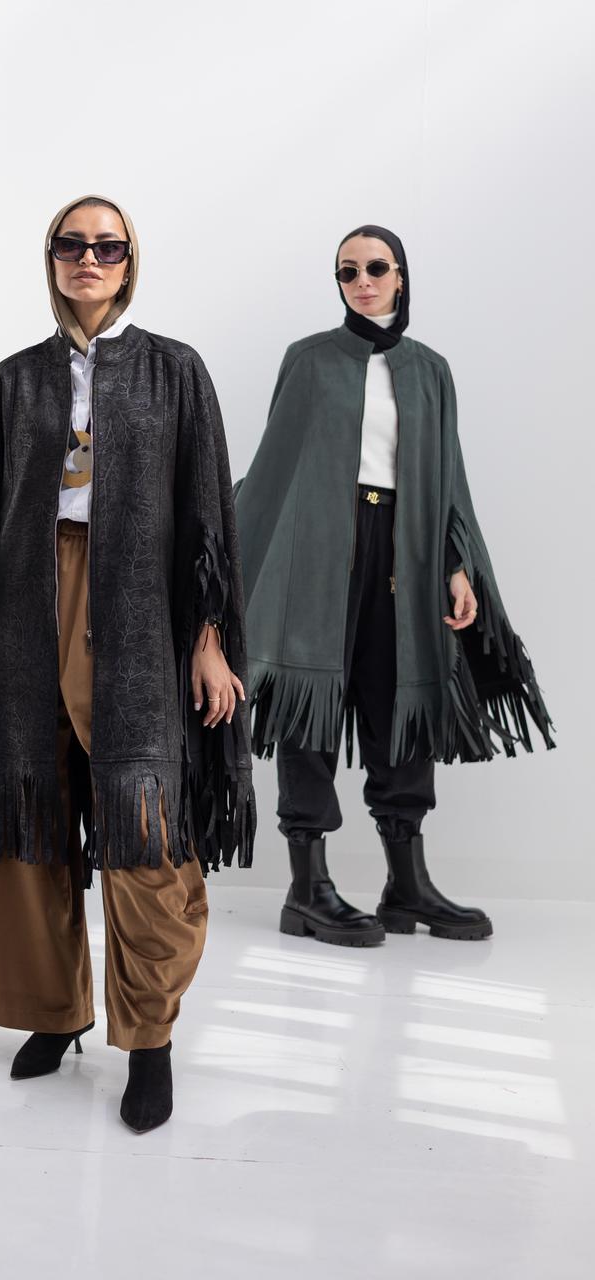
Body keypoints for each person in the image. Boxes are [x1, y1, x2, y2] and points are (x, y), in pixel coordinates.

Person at [0, 195, 255, 1133]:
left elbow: (206, 519)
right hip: (20, 613)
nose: (89, 258)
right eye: (72, 245)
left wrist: (208, 640)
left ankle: (148, 1040)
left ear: (129, 261)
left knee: (145, 826)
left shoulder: (173, 370)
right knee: (24, 810)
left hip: (140, 610)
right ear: (52, 259)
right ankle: (54, 1011)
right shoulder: (15, 380)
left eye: (107, 246)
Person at [235, 224, 553, 946]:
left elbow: (446, 477)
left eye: (376, 268)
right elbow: (279, 462)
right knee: (310, 700)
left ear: (401, 276)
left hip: (402, 547)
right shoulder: (310, 360)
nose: (363, 282)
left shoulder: (429, 370)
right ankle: (307, 888)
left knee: (400, 696)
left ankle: (406, 885)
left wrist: (454, 562)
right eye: (347, 272)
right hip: (319, 546)